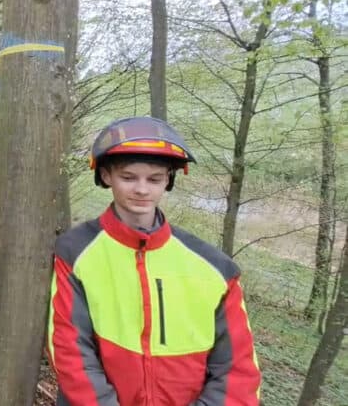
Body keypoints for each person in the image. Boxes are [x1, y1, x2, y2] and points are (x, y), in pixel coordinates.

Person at [48, 116, 261, 405]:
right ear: (106, 175)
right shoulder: (75, 251)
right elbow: (70, 352)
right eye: (128, 177)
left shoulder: (216, 269)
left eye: (154, 179)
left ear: (169, 180)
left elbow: (239, 372)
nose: (142, 189)